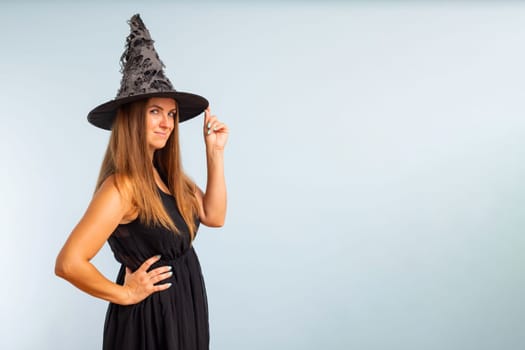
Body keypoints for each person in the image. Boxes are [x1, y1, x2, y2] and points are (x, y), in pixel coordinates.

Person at [55, 14, 227, 350]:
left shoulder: (173, 180)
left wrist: (215, 155)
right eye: (155, 112)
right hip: (149, 320)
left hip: (185, 308)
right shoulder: (122, 187)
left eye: (172, 114)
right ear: (133, 118)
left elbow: (214, 216)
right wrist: (125, 292)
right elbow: (68, 262)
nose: (167, 123)